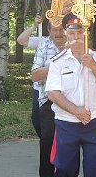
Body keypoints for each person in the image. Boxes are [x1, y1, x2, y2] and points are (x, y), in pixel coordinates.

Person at [45, 12, 96, 177]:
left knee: (93, 170)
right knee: (65, 170)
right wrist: (76, 110)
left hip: (94, 122)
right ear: (66, 34)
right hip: (67, 123)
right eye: (72, 33)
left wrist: (94, 66)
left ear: (87, 33)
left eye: (80, 32)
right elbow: (52, 93)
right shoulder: (58, 61)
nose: (77, 37)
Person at [31, 22, 66, 177]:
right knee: (47, 140)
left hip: (71, 101)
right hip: (48, 101)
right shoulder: (44, 47)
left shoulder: (75, 47)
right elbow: (34, 75)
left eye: (61, 30)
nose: (58, 33)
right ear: (49, 31)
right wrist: (54, 66)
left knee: (68, 143)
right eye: (54, 30)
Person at [17, 15, 45, 138]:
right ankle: (47, 146)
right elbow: (21, 40)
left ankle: (53, 149)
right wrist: (34, 26)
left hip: (57, 87)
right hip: (39, 87)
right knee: (37, 120)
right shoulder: (42, 40)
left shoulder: (66, 41)